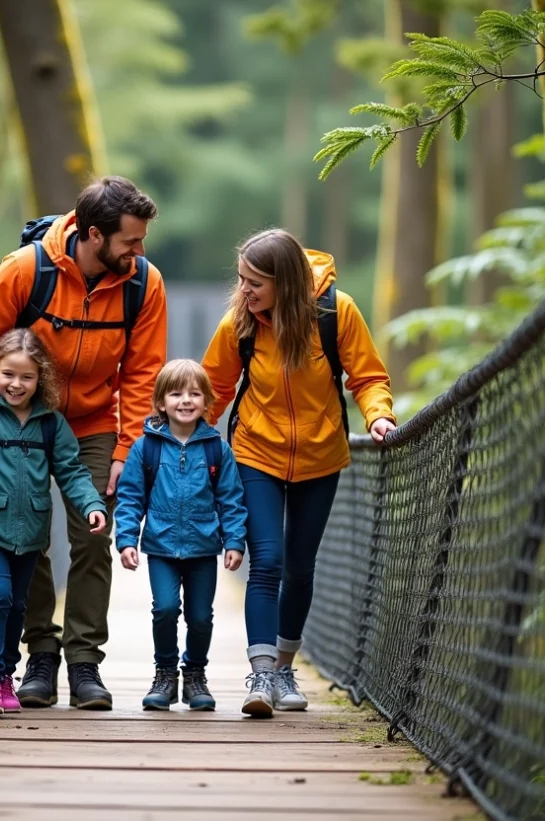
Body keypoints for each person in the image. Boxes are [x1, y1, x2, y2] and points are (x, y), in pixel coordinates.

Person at [0, 176, 167, 710]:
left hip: (91, 424)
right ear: (93, 236)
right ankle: (40, 654)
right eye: (130, 242)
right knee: (27, 533)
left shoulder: (143, 283)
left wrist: (126, 450)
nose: (139, 251)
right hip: (21, 420)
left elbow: (143, 372)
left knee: (93, 536)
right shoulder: (27, 269)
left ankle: (85, 663)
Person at [202, 228, 398, 718]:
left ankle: (285, 668)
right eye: (242, 279)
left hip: (320, 454)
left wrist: (378, 414)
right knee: (265, 559)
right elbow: (214, 388)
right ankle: (262, 672)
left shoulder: (337, 313)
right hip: (255, 452)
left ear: (285, 283)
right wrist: (183, 446)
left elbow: (368, 376)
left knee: (299, 565)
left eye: (255, 283)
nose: (244, 290)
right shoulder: (240, 323)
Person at [0, 329, 107, 717]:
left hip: (31, 529)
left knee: (18, 604)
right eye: (8, 374)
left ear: (41, 379)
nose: (16, 384)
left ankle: (5, 676)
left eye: (26, 377)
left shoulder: (50, 424)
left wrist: (91, 505)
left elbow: (71, 470)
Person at [113, 359, 248, 712]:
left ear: (206, 402)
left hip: (204, 547)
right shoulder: (147, 448)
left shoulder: (217, 450)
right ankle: (165, 674)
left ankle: (195, 675)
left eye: (194, 393)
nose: (185, 400)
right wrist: (126, 539)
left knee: (201, 616)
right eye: (176, 393)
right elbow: (130, 497)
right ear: (161, 402)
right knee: (166, 609)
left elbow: (231, 499)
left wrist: (234, 541)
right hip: (161, 546)